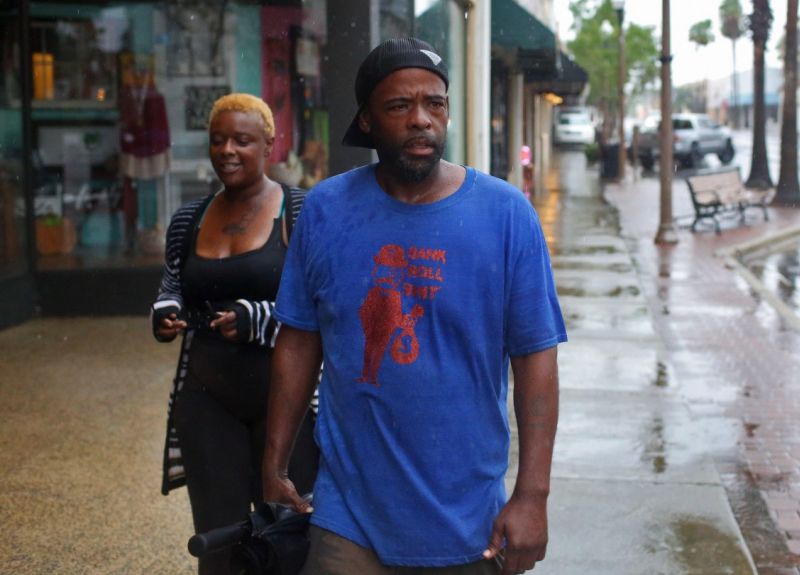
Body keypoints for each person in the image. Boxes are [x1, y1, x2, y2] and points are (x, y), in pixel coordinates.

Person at [263, 38, 566, 575]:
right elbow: (299, 339)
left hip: (469, 519)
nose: (421, 120)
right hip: (348, 513)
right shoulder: (326, 210)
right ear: (367, 119)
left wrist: (532, 496)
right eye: (400, 106)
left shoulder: (506, 215)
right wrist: (275, 458)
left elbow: (536, 360)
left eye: (435, 104)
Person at [150, 93, 318, 574]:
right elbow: (173, 283)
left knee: (288, 534)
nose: (227, 150)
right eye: (218, 140)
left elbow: (319, 303)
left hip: (287, 399)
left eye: (242, 141)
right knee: (220, 544)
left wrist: (258, 318)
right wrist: (166, 312)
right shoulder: (189, 219)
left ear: (269, 144)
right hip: (207, 401)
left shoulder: (298, 211)